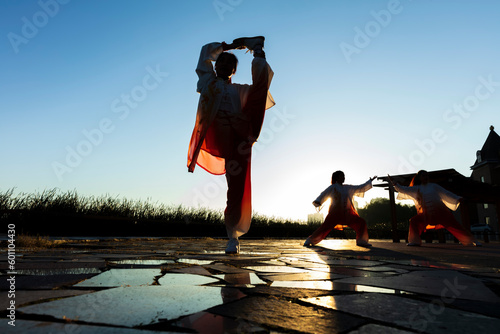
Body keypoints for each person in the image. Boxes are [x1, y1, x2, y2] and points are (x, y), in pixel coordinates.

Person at [187, 36, 275, 254]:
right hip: (217, 137)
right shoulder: (206, 82)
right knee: (233, 184)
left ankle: (233, 236)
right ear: (216, 66)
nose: (225, 66)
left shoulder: (240, 91)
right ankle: (232, 234)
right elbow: (205, 52)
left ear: (234, 71)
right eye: (221, 63)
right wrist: (232, 46)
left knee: (237, 186)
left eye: (230, 65)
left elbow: (261, 86)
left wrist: (257, 52)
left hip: (239, 140)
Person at [387, 170, 480, 246]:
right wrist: (394, 182)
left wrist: (458, 198)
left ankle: (472, 241)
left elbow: (446, 193)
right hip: (426, 215)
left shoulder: (434, 186)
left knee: (456, 225)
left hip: (441, 213)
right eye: (423, 176)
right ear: (420, 178)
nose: (426, 177)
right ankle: (415, 241)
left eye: (427, 176)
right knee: (414, 221)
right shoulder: (417, 188)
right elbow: (403, 189)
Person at [304, 171, 376, 247]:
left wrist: (370, 181)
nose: (343, 178)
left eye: (344, 176)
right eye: (341, 176)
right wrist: (318, 201)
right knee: (324, 228)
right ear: (336, 178)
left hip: (347, 215)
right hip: (334, 214)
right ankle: (309, 240)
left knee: (361, 222)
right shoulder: (333, 187)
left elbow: (360, 188)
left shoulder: (348, 188)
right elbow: (324, 194)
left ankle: (361, 241)